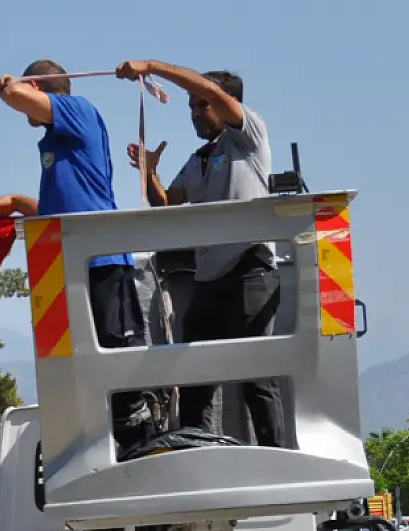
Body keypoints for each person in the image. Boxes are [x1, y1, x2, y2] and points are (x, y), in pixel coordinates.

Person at [0, 59, 156, 452]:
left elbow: (19, 97)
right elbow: (64, 213)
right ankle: (103, 446)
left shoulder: (80, 110)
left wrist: (11, 87)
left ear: (40, 86)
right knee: (85, 364)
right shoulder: (58, 144)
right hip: (74, 268)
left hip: (104, 263)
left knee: (118, 358)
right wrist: (20, 202)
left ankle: (139, 446)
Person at [117, 59, 284, 447]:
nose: (195, 113)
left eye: (200, 105)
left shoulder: (249, 136)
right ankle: (195, 451)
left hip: (249, 269)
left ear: (227, 103)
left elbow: (211, 90)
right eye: (191, 107)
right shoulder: (198, 160)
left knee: (256, 374)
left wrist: (151, 68)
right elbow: (167, 206)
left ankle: (274, 458)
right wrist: (149, 171)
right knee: (194, 376)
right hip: (209, 279)